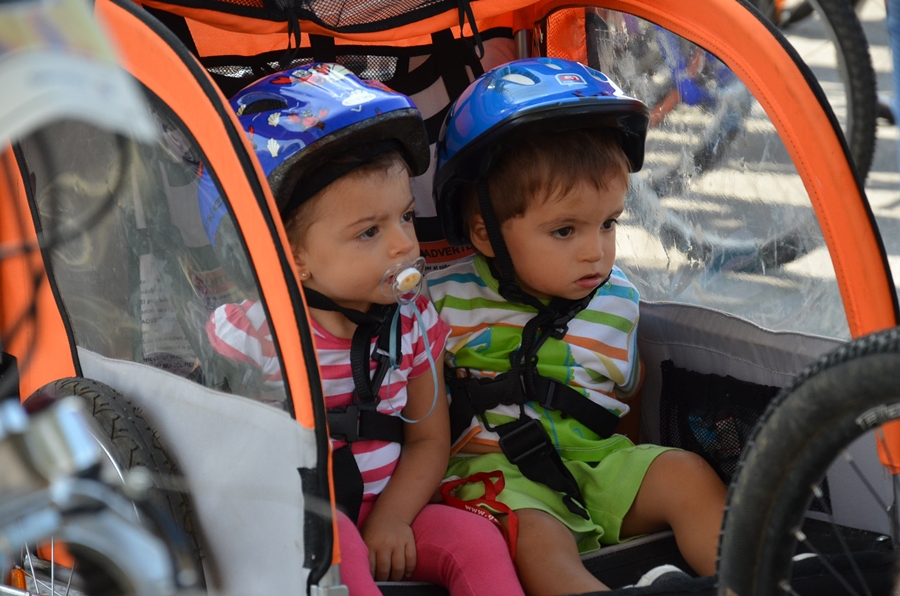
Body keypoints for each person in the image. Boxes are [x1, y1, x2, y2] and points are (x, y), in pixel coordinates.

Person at [205, 63, 525, 596]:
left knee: (475, 540)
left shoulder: (414, 319)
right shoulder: (256, 332)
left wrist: (393, 518)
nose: (404, 244)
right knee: (340, 550)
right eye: (369, 232)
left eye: (404, 217)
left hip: (389, 501)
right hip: (297, 519)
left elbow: (428, 438)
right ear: (291, 256)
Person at [428, 57, 728, 595]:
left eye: (609, 223)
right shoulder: (441, 302)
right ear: (486, 235)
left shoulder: (617, 302)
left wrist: (628, 475)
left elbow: (627, 403)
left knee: (686, 474)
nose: (597, 250)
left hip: (595, 465)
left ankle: (752, 576)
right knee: (537, 536)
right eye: (565, 230)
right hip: (494, 479)